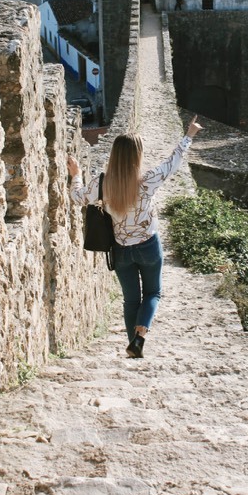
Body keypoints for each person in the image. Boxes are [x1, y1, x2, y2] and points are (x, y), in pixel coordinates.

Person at [67, 115, 203, 359]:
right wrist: (188, 135)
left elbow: (77, 198)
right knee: (153, 293)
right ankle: (140, 337)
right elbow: (173, 163)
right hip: (148, 246)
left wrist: (76, 174)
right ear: (136, 156)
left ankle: (133, 347)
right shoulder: (146, 181)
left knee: (131, 301)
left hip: (121, 251)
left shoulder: (102, 184)